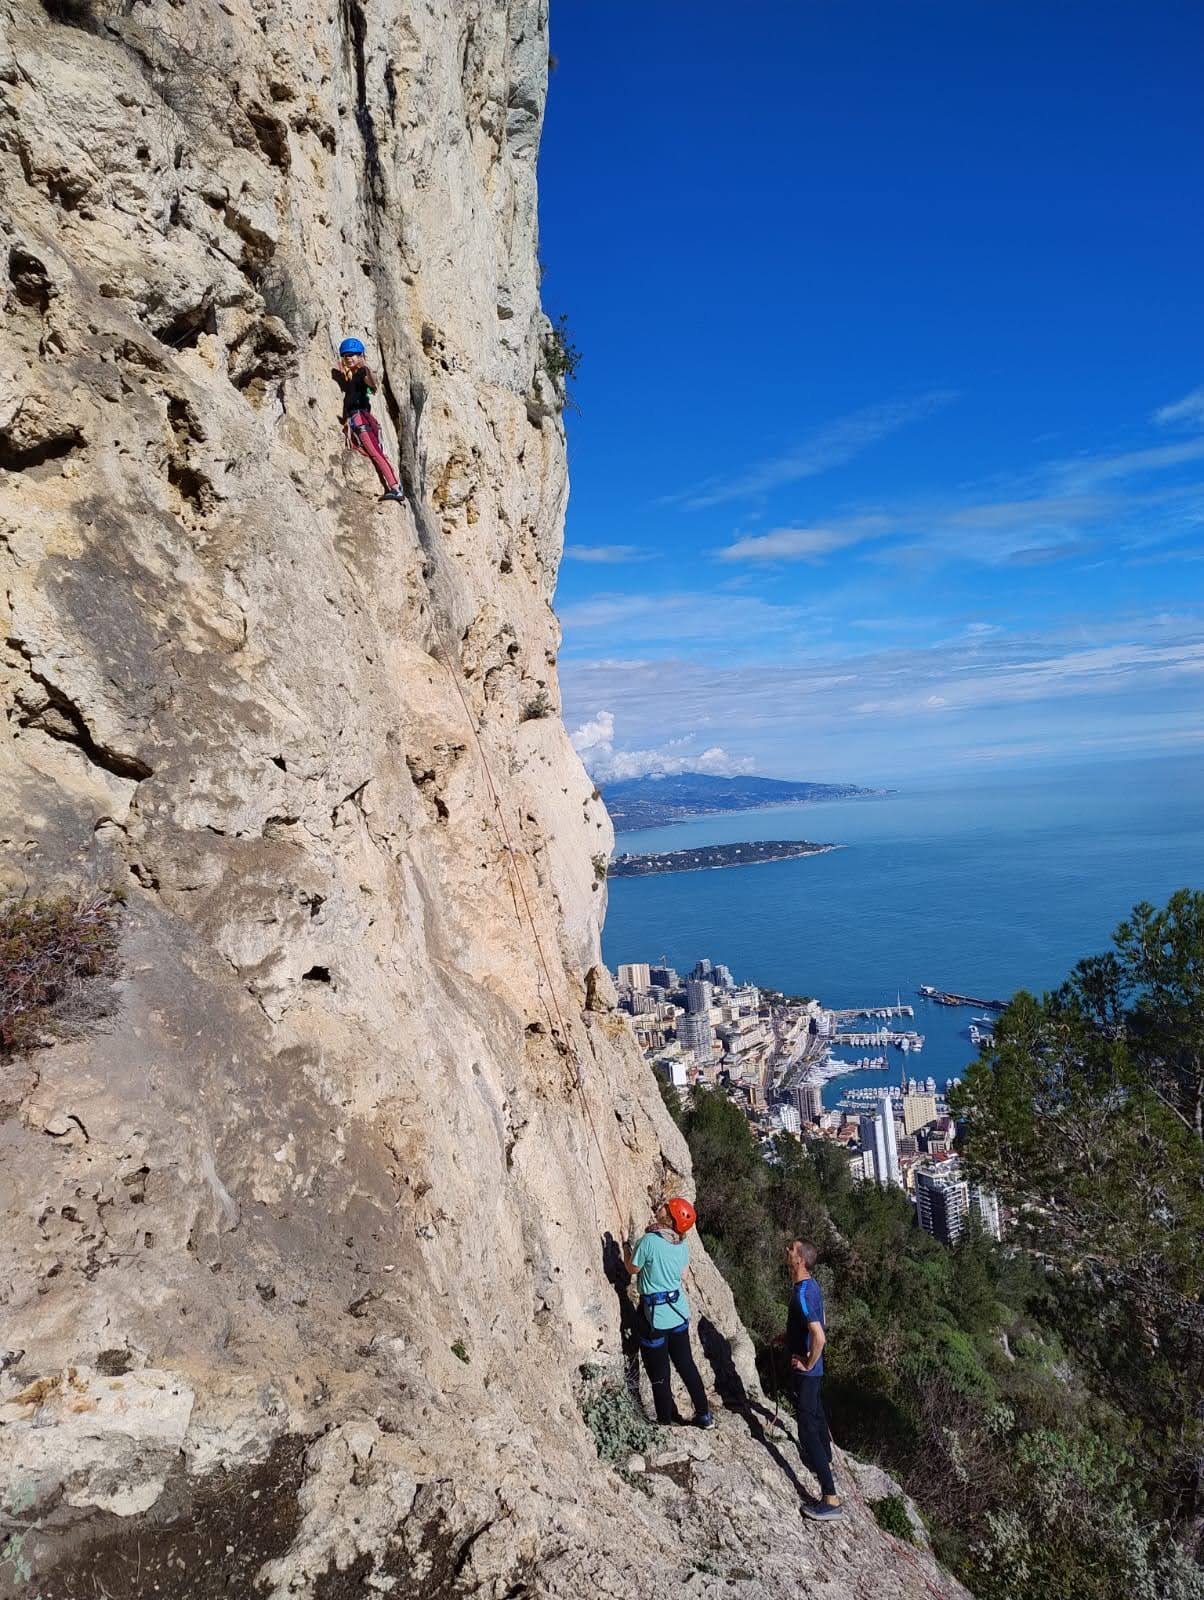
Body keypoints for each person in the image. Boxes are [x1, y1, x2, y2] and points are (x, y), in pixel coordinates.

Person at [623, 1196, 715, 1429]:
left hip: (654, 1318)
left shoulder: (649, 1241)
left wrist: (625, 1251)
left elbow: (632, 1268)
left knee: (659, 1373)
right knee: (686, 1365)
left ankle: (665, 1422)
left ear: (670, 1218)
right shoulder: (681, 1243)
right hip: (678, 1314)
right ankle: (704, 1415)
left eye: (667, 1207)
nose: (662, 1207)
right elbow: (683, 1275)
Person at [785, 1238, 842, 1519]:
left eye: (791, 1249)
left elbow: (820, 1336)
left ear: (800, 1260)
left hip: (808, 1371)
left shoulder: (802, 1294)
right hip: (816, 1370)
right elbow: (819, 1321)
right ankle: (825, 1457)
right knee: (817, 1414)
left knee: (806, 1430)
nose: (787, 1251)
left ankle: (830, 1499)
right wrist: (789, 1336)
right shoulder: (811, 1286)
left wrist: (807, 1363)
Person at [333, 337, 405, 501]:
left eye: (352, 355)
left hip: (360, 418)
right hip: (357, 418)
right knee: (374, 451)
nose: (349, 358)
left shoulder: (362, 372)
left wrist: (367, 368)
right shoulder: (353, 375)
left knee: (375, 452)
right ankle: (395, 487)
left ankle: (395, 488)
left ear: (360, 355)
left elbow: (372, 384)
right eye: (346, 356)